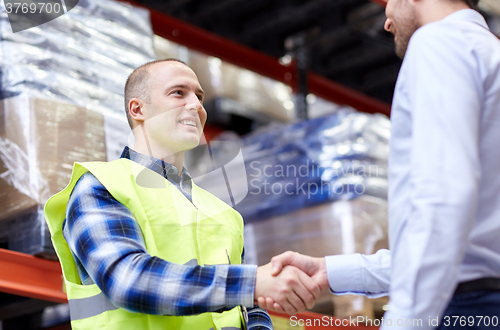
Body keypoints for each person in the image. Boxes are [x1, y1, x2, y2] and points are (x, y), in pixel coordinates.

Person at [262, 0, 500, 328]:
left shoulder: (438, 42)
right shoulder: (487, 53)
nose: (386, 22)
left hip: (464, 309)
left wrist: (405, 321)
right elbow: (472, 245)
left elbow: (442, 201)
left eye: (388, 3)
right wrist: (330, 272)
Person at [44, 59, 322, 330]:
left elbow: (248, 309)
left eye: (200, 97)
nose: (197, 106)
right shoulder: (101, 185)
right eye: (179, 93)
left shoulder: (225, 214)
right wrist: (252, 283)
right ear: (138, 109)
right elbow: (128, 280)